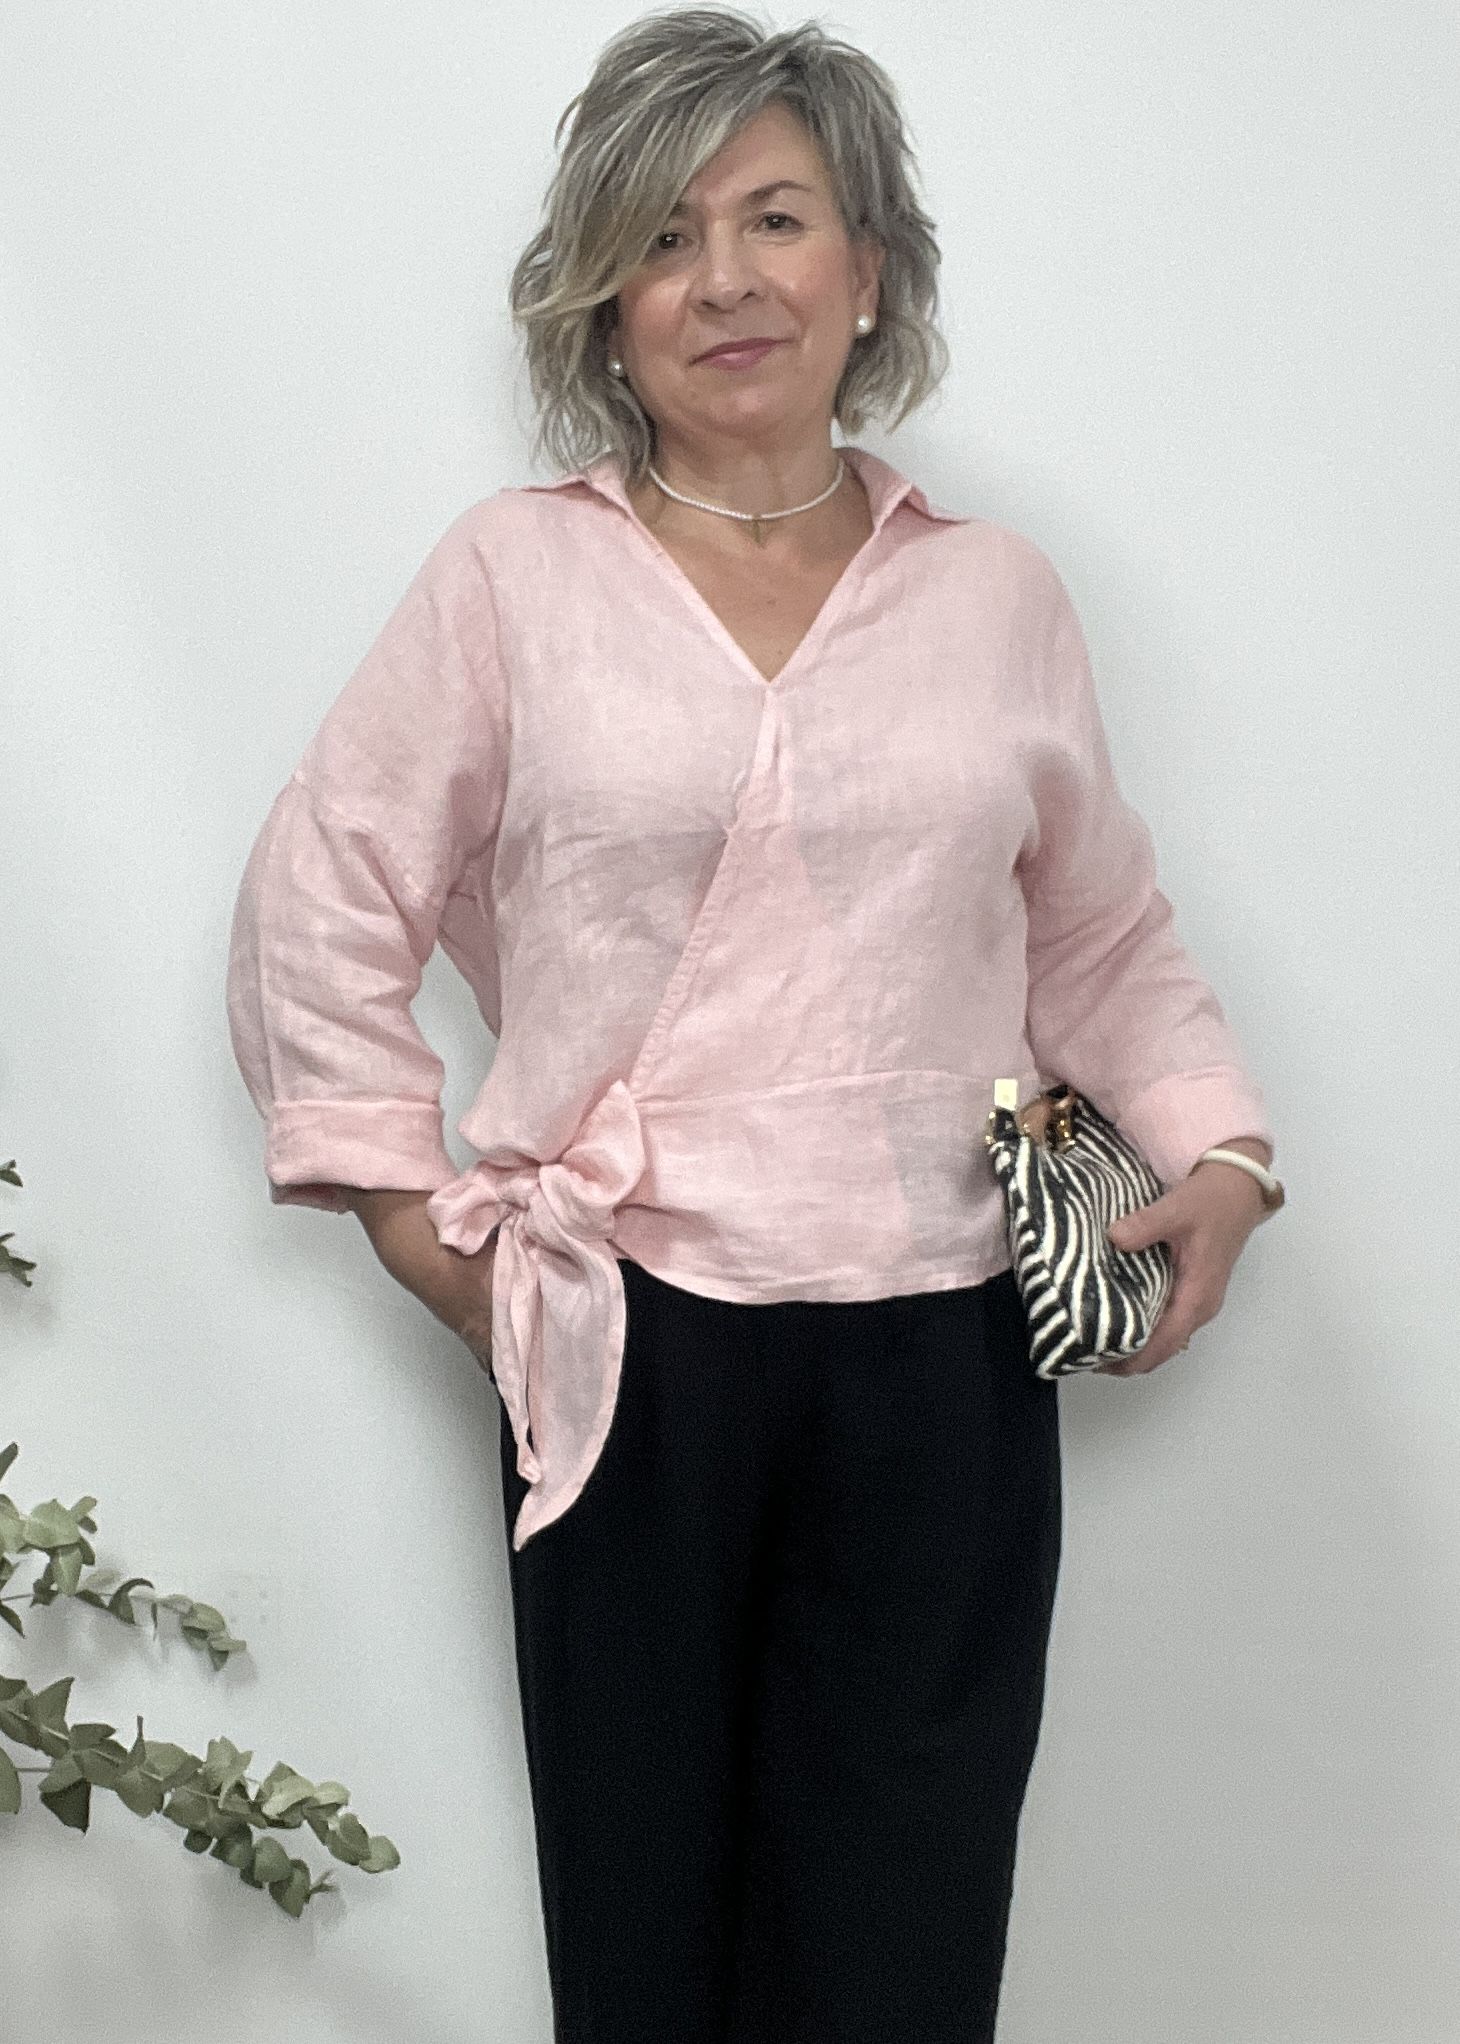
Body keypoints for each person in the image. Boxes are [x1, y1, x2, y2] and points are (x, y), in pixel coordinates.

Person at [225, 9, 1283, 2039]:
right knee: (649, 1937)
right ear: (604, 306)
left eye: (777, 219)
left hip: (948, 1351)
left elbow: (1099, 932)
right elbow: (321, 888)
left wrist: (1220, 1152)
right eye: (663, 236)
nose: (723, 278)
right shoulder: (513, 579)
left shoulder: (996, 597)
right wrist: (423, 1231)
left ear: (867, 267)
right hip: (622, 1343)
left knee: (904, 1934)